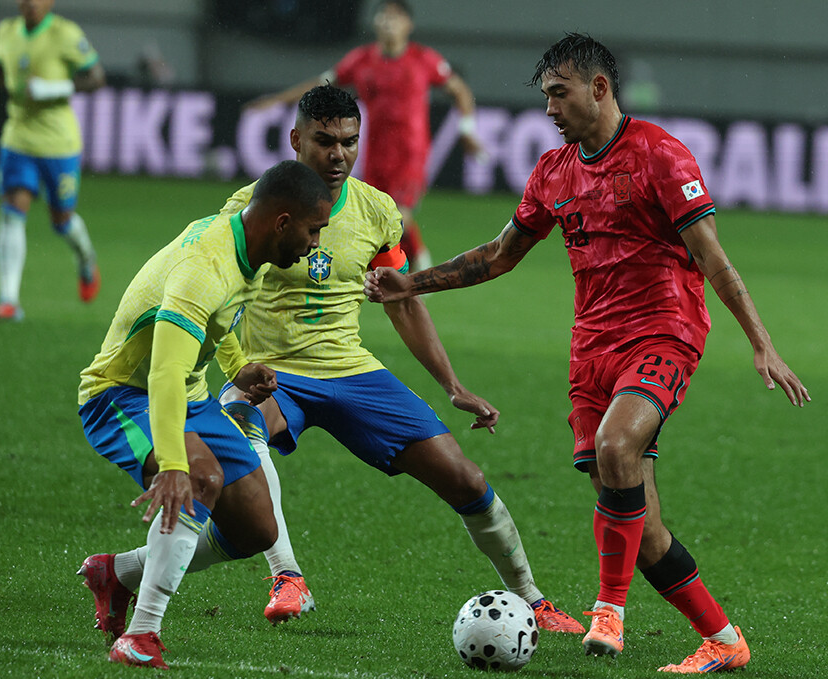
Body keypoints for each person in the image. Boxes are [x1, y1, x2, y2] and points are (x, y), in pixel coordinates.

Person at [364, 33, 811, 674]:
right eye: (545, 96)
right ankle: (722, 639)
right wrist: (413, 283)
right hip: (591, 354)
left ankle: (609, 610)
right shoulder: (554, 173)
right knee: (644, 528)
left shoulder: (661, 155)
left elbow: (713, 257)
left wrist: (762, 346)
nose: (549, 109)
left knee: (616, 446)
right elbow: (497, 256)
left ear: (598, 88)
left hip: (664, 333)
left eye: (558, 93)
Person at [90, 84, 580, 639]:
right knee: (243, 431)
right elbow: (211, 300)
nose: (338, 154)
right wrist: (237, 368)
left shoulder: (375, 210)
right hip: (271, 371)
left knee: (465, 478)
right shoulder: (256, 206)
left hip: (350, 370)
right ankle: (287, 576)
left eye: (349, 141)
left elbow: (400, 298)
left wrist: (452, 385)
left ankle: (532, 599)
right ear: (297, 139)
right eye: (325, 141)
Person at [76, 160, 332, 669]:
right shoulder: (204, 268)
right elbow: (164, 374)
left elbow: (222, 321)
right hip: (121, 395)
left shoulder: (250, 248)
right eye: (313, 230)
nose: (315, 245)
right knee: (199, 477)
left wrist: (238, 366)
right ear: (282, 221)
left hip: (192, 398)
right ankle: (142, 635)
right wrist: (172, 464)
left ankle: (119, 574)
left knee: (257, 529)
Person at [247, 0, 482, 272]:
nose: (387, 22)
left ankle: (420, 263)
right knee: (376, 213)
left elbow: (460, 91)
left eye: (395, 17)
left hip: (410, 153)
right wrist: (278, 100)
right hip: (374, 152)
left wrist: (466, 129)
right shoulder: (361, 60)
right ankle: (386, 266)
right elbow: (322, 83)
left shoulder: (423, 59)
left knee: (399, 213)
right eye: (383, 16)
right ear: (375, 23)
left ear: (409, 25)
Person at [0, 0, 105, 321]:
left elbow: (96, 77)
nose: (30, 2)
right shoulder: (5, 33)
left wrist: (55, 88)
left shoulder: (65, 34)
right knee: (12, 212)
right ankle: (8, 299)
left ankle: (86, 260)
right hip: (18, 139)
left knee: (61, 221)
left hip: (59, 144)